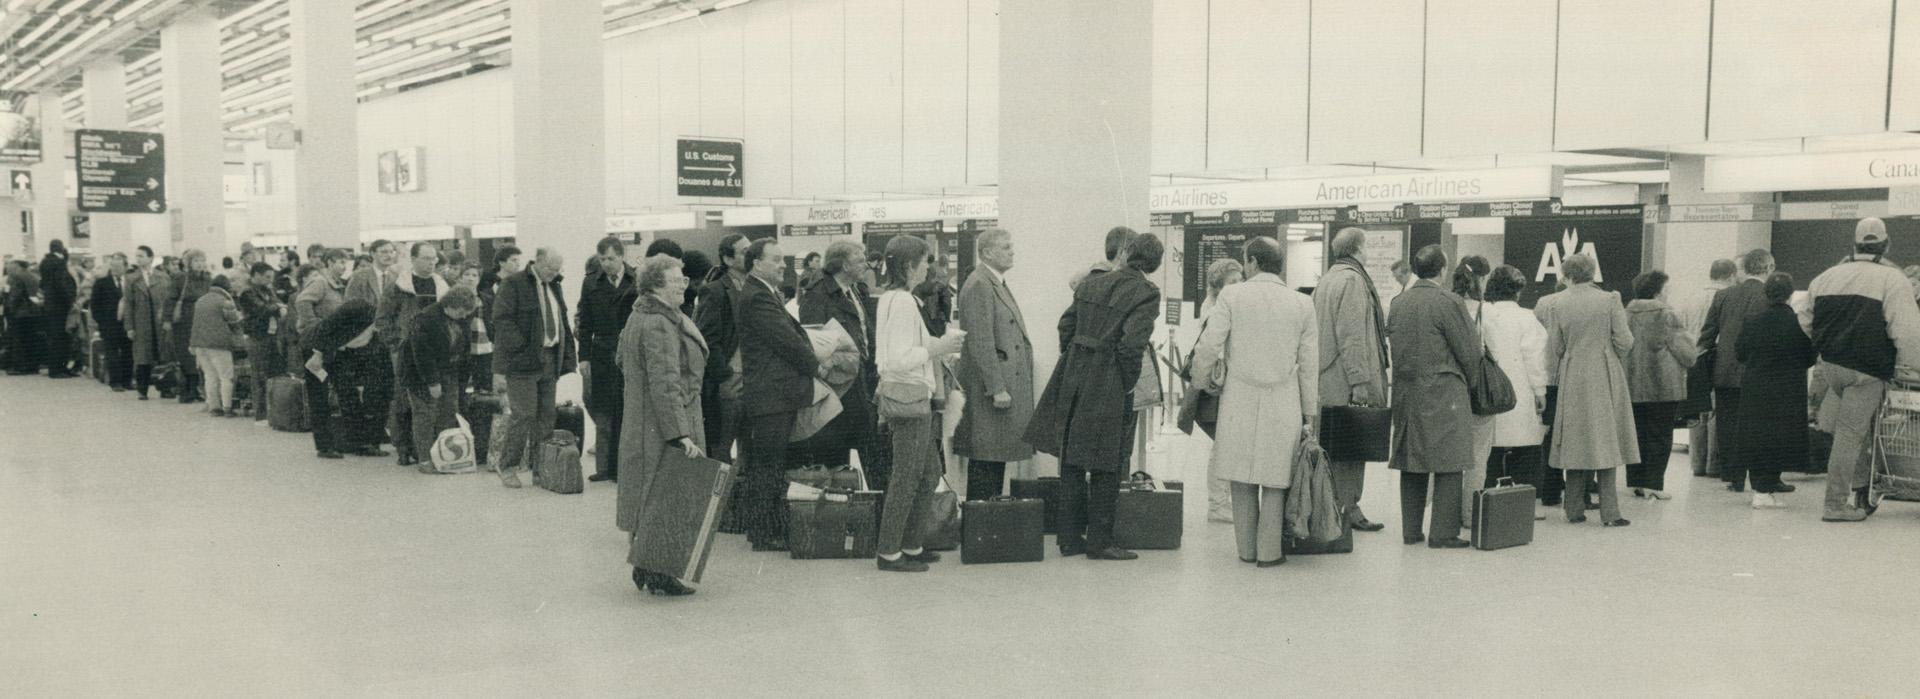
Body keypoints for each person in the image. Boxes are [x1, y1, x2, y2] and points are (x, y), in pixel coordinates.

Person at [1027, 233, 1166, 561]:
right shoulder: (1146, 292)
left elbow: (1066, 324)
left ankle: (1069, 538)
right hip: (1110, 379)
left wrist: (1075, 355)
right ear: (1155, 264)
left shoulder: (1091, 283)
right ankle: (1100, 541)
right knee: (1108, 459)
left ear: (1127, 253)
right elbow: (1132, 345)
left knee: (1072, 458)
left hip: (1075, 374)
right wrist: (1128, 383)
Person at [1190, 237, 1318, 566]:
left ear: (1253, 263)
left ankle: (1246, 551)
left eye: (1246, 261)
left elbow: (1208, 346)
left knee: (1241, 474)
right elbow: (1309, 365)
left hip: (1239, 398)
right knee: (1276, 479)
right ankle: (1269, 553)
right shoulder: (1302, 304)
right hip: (1284, 399)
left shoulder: (1232, 296)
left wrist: (1201, 382)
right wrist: (1309, 413)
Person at [1803, 217, 1920, 521]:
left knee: (1852, 431)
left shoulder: (1825, 277)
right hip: (1866, 370)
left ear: (1854, 244)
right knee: (1850, 434)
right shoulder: (1892, 279)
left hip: (1832, 367)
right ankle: (1835, 504)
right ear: (1886, 244)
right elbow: (1907, 333)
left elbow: (1805, 321)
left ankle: (1860, 486)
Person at [872, 235, 968, 572]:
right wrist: (938, 349)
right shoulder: (901, 302)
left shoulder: (894, 299)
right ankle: (889, 551)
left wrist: (938, 343)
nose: (929, 266)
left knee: (927, 475)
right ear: (910, 265)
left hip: (908, 395)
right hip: (910, 396)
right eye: (925, 261)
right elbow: (900, 357)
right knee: (908, 476)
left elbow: (899, 347)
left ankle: (911, 542)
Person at [615, 254, 706, 597]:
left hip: (647, 421)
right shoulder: (658, 323)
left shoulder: (644, 315)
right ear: (656, 286)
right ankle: (659, 570)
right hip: (664, 421)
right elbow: (665, 382)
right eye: (676, 280)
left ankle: (648, 565)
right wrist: (680, 434)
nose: (684, 284)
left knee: (653, 492)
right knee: (667, 492)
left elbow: (623, 360)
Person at [1386, 245, 1480, 548]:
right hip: (1443, 390)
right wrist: (1473, 384)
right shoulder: (1449, 301)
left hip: (1405, 391)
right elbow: (1469, 351)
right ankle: (1443, 532)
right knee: (1450, 460)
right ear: (1442, 270)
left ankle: (1411, 531)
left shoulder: (1398, 302)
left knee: (1412, 458)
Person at [735, 238, 820, 551]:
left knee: (769, 463)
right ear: (757, 263)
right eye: (776, 260)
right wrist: (815, 364)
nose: (783, 265)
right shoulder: (758, 297)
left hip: (775, 392)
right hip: (771, 394)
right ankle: (762, 532)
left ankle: (766, 528)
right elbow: (786, 340)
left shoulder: (765, 293)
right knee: (767, 465)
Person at [1543, 253, 1637, 527]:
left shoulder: (1556, 303)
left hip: (1572, 374)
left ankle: (1573, 508)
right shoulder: (1610, 299)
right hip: (1605, 373)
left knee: (1575, 438)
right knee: (1606, 439)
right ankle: (1611, 513)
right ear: (1593, 272)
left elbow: (1556, 347)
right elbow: (1625, 340)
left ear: (1566, 274)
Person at [1311, 227, 1391, 533]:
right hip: (1346, 380)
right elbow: (1353, 337)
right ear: (1358, 248)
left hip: (1326, 377)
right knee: (1351, 448)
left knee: (1334, 446)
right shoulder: (1353, 281)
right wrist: (1360, 382)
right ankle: (1347, 508)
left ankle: (1337, 506)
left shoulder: (1327, 280)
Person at [953, 229, 1035, 502]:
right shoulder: (979, 284)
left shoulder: (993, 282)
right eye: (1006, 247)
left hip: (1000, 387)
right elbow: (979, 340)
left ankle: (989, 527)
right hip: (991, 391)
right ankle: (981, 529)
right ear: (987, 252)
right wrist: (997, 387)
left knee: (994, 457)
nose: (1012, 251)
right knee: (987, 460)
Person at [795, 241, 883, 483]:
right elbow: (814, 342)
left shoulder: (856, 290)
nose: (865, 264)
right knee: (841, 457)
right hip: (840, 386)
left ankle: (875, 507)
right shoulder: (817, 294)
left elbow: (866, 330)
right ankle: (850, 509)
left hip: (865, 377)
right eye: (859, 260)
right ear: (844, 265)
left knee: (872, 447)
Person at [490, 247, 578, 488]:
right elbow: (501, 319)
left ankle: (541, 468)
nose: (554, 273)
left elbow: (562, 321)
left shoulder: (554, 285)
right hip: (522, 362)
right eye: (550, 268)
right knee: (524, 415)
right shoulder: (513, 284)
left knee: (546, 417)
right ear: (537, 261)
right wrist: (522, 346)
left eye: (558, 269)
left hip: (550, 359)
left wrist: (569, 355)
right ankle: (507, 465)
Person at [1732, 273, 1814, 509]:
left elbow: (1740, 353)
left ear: (1765, 293)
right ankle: (1764, 489)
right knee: (1780, 436)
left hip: (1756, 386)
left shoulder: (1752, 320)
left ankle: (1762, 484)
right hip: (1788, 388)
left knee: (1758, 435)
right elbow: (1809, 357)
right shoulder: (1799, 323)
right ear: (1790, 295)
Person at [1699, 249, 1775, 493]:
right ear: (1768, 267)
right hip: (1758, 372)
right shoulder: (1771, 296)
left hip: (1725, 372)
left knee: (1728, 423)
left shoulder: (1723, 295)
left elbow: (1708, 335)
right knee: (1758, 425)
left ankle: (1733, 476)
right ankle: (1760, 475)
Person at [1624, 271, 1696, 500]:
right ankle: (1654, 485)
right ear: (1658, 291)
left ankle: (1635, 481)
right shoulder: (1667, 315)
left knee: (1635, 433)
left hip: (1631, 384)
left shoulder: (1625, 313)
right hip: (1662, 386)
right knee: (1660, 435)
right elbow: (1687, 353)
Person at [377, 243, 448, 466]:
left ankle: (425, 448)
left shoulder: (442, 285)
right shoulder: (398, 287)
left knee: (430, 402)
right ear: (414, 259)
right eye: (426, 258)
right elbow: (382, 319)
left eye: (434, 258)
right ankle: (403, 446)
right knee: (402, 400)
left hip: (433, 353)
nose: (431, 263)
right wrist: (396, 345)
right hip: (404, 352)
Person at [578, 236, 640, 483]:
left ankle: (626, 467)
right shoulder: (591, 283)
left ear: (622, 256)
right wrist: (584, 358)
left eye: (611, 258)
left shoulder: (637, 280)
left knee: (627, 411)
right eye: (602, 259)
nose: (606, 264)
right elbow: (585, 324)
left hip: (629, 353)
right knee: (603, 411)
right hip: (602, 352)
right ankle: (604, 467)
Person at [1481, 265, 1549, 490]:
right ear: (1517, 291)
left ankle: (1487, 496)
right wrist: (1540, 391)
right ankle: (1522, 501)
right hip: (1518, 390)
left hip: (1486, 390)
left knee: (1488, 448)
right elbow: (1534, 359)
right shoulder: (1526, 318)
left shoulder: (1482, 313)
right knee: (1523, 446)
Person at [1189, 257, 1244, 522]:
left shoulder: (1213, 304)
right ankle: (1218, 503)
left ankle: (1221, 501)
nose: (1239, 285)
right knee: (1223, 445)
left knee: (1224, 444)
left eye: (1241, 280)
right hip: (1220, 386)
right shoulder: (1216, 310)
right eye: (1233, 281)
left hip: (1219, 385)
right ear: (1218, 286)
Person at [400, 286, 478, 472]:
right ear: (450, 305)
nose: (464, 315)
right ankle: (425, 459)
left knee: (449, 412)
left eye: (467, 312)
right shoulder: (425, 319)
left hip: (449, 371)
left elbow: (465, 349)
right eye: (461, 311)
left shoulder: (462, 318)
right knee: (424, 415)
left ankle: (445, 456)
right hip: (421, 374)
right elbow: (422, 355)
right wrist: (432, 382)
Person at [694, 234, 752, 466]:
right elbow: (707, 338)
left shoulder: (757, 287)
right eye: (745, 251)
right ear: (728, 259)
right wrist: (725, 375)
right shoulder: (715, 291)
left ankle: (745, 498)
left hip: (755, 378)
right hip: (731, 380)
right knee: (722, 446)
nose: (752, 255)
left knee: (751, 445)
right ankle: (721, 499)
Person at [301, 300, 384, 459]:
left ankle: (359, 443)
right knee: (319, 396)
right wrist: (318, 355)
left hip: (340, 351)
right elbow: (326, 326)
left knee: (349, 393)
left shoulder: (379, 330)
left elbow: (366, 352)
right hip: (314, 347)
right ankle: (325, 446)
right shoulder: (359, 307)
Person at [1681, 259, 1737, 478]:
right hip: (1717, 358)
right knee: (1716, 410)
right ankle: (1715, 464)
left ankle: (1697, 464)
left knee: (1696, 410)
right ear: (1731, 275)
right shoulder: (1728, 297)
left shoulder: (1690, 297)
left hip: (1693, 358)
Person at [1451, 255, 1494, 522]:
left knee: (1452, 454)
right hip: (1478, 391)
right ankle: (1469, 515)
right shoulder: (1484, 310)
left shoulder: (1447, 304)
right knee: (1478, 454)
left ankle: (1446, 512)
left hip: (1450, 390)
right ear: (1481, 278)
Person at [348, 239, 401, 447]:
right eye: (383, 252)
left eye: (391, 252)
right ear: (372, 254)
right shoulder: (359, 277)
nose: (388, 255)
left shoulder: (397, 278)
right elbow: (350, 308)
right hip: (366, 339)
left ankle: (381, 430)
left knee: (387, 387)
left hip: (388, 340)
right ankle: (368, 437)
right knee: (371, 388)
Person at [188, 276, 245, 417]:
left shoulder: (200, 300)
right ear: (226, 288)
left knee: (210, 376)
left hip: (200, 344)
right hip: (219, 344)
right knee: (226, 376)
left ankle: (214, 407)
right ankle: (227, 408)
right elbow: (234, 323)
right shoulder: (225, 301)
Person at [237, 263, 286, 421]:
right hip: (257, 337)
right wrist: (277, 307)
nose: (270, 280)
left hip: (272, 336)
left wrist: (275, 306)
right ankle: (260, 414)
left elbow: (274, 305)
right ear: (256, 275)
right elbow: (262, 309)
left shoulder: (268, 290)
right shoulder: (247, 292)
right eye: (267, 277)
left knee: (273, 373)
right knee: (259, 375)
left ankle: (273, 412)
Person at [122, 246, 171, 398]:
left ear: (150, 258)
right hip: (141, 323)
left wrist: (168, 320)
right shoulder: (131, 279)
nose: (138, 259)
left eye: (141, 256)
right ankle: (142, 390)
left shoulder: (163, 277)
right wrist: (129, 327)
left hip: (160, 322)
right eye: (137, 256)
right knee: (142, 357)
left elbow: (168, 301)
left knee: (164, 355)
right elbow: (128, 304)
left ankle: (166, 388)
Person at [167, 249, 215, 404]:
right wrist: (167, 320)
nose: (200, 264)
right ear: (188, 263)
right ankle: (187, 388)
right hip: (184, 322)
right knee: (185, 354)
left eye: (202, 260)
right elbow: (170, 299)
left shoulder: (208, 278)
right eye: (196, 261)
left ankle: (197, 388)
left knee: (201, 354)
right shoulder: (180, 278)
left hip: (203, 321)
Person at [92, 253, 133, 391]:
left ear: (125, 266)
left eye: (118, 266)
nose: (115, 269)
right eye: (113, 266)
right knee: (112, 353)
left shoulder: (130, 282)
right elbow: (94, 305)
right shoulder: (101, 283)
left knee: (128, 352)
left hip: (127, 324)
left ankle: (127, 380)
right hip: (109, 324)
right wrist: (102, 322)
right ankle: (115, 382)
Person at [39, 240, 78, 378]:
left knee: (55, 337)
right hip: (60, 305)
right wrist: (71, 300)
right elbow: (62, 284)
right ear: (61, 248)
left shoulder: (45, 262)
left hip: (50, 305)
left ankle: (57, 368)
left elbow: (43, 283)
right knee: (61, 338)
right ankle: (58, 369)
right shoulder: (58, 263)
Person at [1067, 226, 1138, 292]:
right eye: (1134, 252)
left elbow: (1073, 282)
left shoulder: (1093, 273)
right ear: (1121, 252)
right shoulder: (1120, 279)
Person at [3, 260, 41, 375]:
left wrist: (9, 308)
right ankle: (33, 366)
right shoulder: (33, 276)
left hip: (19, 313)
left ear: (18, 266)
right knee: (31, 339)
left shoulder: (16, 277)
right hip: (33, 312)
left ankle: (19, 367)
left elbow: (15, 295)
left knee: (18, 340)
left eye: (11, 266)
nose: (9, 268)